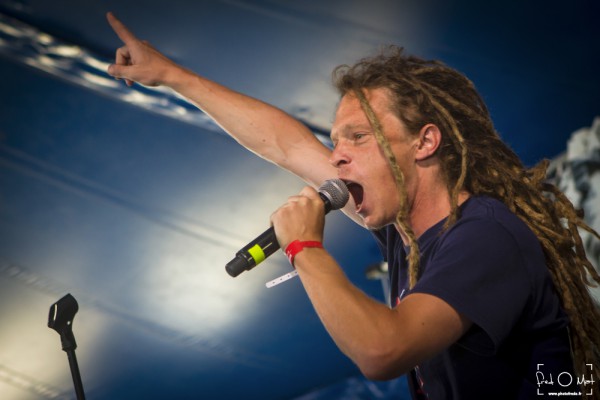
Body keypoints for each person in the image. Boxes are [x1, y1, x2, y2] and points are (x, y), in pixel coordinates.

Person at [105, 12, 600, 399]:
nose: (337, 155)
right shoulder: (407, 235)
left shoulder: (485, 234)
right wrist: (173, 76)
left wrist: (304, 248)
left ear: (425, 142)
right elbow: (286, 145)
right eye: (335, 140)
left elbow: (384, 350)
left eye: (358, 137)